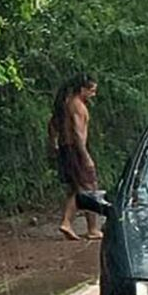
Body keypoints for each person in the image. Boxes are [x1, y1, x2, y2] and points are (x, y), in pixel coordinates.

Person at [47, 73, 102, 241]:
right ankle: (77, 225)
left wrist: (54, 144)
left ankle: (84, 226)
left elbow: (52, 125)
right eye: (91, 90)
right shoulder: (77, 105)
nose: (93, 94)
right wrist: (85, 156)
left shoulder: (65, 104)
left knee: (76, 187)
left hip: (67, 148)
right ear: (82, 89)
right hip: (75, 149)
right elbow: (78, 134)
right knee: (89, 187)